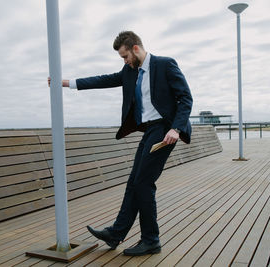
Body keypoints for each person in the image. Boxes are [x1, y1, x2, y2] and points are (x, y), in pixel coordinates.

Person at [49, 31, 193, 256]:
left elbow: (186, 98)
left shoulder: (165, 65)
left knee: (144, 183)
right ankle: (116, 234)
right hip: (150, 130)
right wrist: (67, 83)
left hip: (166, 130)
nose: (124, 62)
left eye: (125, 56)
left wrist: (176, 128)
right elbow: (105, 79)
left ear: (135, 48)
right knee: (134, 181)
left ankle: (151, 240)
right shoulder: (130, 71)